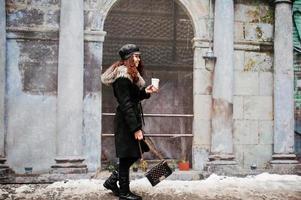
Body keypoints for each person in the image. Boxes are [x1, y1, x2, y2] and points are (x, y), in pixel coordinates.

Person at [101, 44, 158, 200]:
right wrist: (136, 129)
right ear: (128, 59)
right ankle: (124, 193)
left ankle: (112, 181)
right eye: (135, 56)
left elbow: (133, 98)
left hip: (130, 119)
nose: (138, 59)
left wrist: (146, 92)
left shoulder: (130, 75)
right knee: (127, 156)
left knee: (133, 154)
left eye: (139, 56)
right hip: (126, 121)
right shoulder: (122, 77)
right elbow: (126, 104)